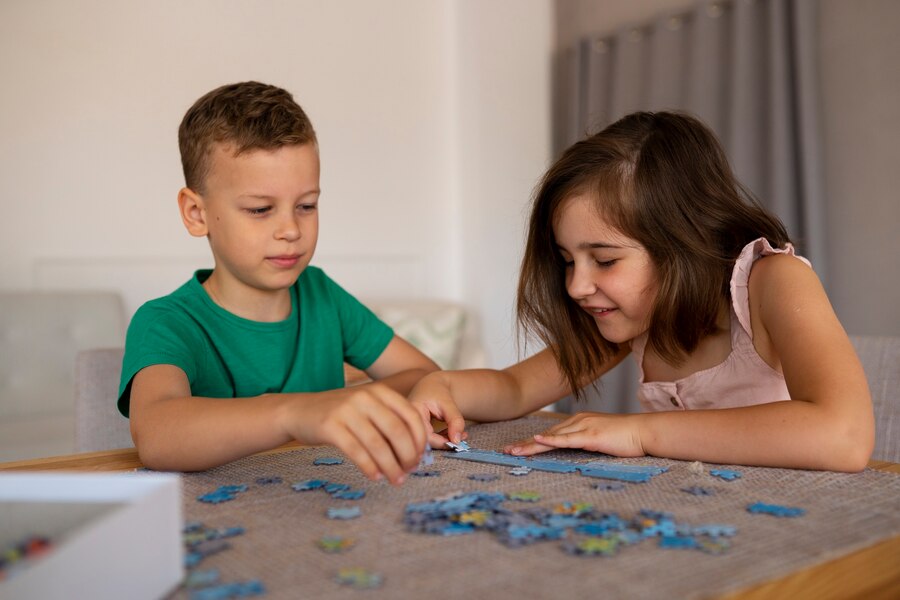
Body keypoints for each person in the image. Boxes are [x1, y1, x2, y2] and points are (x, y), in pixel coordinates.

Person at [410, 111, 874, 472]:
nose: (576, 285)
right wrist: (442, 385)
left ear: (683, 243)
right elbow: (513, 390)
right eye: (568, 260)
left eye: (605, 260)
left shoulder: (772, 280)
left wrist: (640, 433)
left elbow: (844, 435)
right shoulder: (634, 315)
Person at [119, 81, 438, 482]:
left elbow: (426, 377)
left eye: (306, 205)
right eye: (260, 209)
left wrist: (338, 405)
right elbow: (157, 434)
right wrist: (299, 413)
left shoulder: (322, 294)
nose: (290, 229)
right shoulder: (165, 322)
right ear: (196, 213)